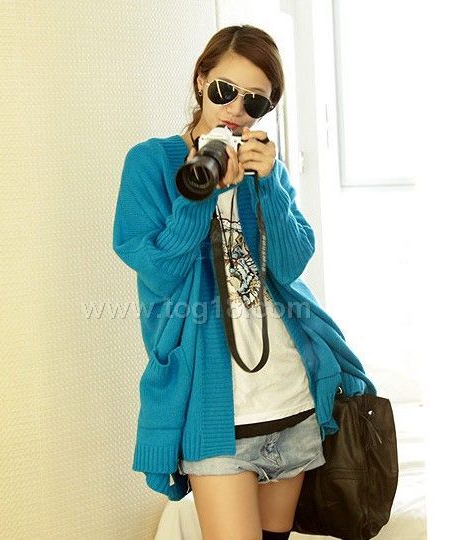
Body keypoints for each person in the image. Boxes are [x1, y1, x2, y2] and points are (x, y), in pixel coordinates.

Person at [112, 25, 376, 540]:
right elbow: (161, 271)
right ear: (201, 80)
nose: (236, 109)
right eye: (224, 90)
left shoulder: (266, 168)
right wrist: (202, 194)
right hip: (214, 410)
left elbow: (291, 265)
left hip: (289, 398)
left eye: (254, 101)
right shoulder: (151, 163)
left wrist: (271, 185)